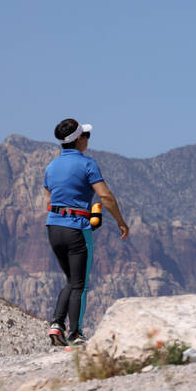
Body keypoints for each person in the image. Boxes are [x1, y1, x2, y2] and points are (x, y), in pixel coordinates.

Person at [43, 119, 129, 346]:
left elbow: (49, 201)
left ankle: (56, 325)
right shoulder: (87, 164)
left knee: (70, 279)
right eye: (86, 136)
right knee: (79, 283)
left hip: (53, 227)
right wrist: (120, 221)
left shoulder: (50, 167)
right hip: (76, 228)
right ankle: (76, 333)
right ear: (79, 139)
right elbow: (106, 197)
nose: (88, 139)